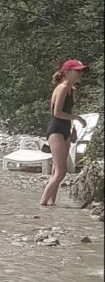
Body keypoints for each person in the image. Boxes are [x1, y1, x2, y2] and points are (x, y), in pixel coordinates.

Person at [40, 59, 89, 206]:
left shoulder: (72, 89)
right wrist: (78, 118)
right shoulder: (61, 87)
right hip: (56, 130)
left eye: (81, 71)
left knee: (57, 170)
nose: (80, 73)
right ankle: (42, 204)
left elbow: (68, 111)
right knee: (61, 172)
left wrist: (73, 130)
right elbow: (57, 113)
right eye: (77, 71)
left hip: (66, 129)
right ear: (67, 72)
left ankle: (51, 204)